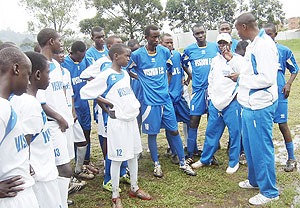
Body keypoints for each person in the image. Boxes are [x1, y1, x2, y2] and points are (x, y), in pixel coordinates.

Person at [81, 43, 152, 207]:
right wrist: (105, 104)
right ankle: (115, 195)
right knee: (116, 158)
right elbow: (86, 91)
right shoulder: (107, 74)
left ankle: (134, 187)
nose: (129, 58)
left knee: (134, 155)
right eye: (126, 56)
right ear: (116, 56)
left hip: (131, 120)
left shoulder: (126, 74)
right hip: (117, 122)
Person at [127, 25, 196, 177]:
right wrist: (141, 79)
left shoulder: (164, 52)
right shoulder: (138, 54)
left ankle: (183, 163)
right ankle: (156, 164)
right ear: (146, 37)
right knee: (153, 133)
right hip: (150, 103)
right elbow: (127, 69)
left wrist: (166, 86)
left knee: (174, 130)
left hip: (165, 100)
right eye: (153, 37)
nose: (157, 40)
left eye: (158, 37)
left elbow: (170, 69)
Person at [227, 12, 279, 205]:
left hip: (260, 105)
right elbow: (253, 72)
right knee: (250, 146)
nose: (236, 34)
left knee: (262, 149)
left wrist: (240, 78)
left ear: (243, 27)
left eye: (237, 29)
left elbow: (267, 78)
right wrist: (242, 75)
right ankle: (255, 180)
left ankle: (270, 191)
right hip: (249, 104)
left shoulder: (264, 46)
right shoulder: (254, 44)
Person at [10, 51, 63, 208]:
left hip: (44, 174)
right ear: (38, 74)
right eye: (48, 72)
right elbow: (21, 145)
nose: (50, 77)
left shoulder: (28, 101)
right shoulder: (29, 104)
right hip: (40, 179)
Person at [83, 36, 130, 192]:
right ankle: (108, 179)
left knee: (122, 142)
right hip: (108, 114)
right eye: (118, 46)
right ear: (112, 50)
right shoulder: (103, 64)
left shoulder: (122, 70)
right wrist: (105, 104)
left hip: (122, 112)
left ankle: (122, 172)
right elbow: (89, 83)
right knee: (111, 144)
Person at [191, 33, 243, 174]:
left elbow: (243, 75)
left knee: (235, 133)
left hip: (231, 102)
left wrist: (230, 59)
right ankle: (205, 159)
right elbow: (211, 80)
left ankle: (233, 162)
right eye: (219, 43)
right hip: (216, 102)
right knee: (211, 132)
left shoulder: (238, 60)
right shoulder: (215, 60)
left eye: (225, 43)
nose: (222, 46)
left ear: (231, 44)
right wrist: (212, 98)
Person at [36, 28, 73, 208]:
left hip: (62, 123)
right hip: (51, 125)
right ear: (51, 41)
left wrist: (66, 114)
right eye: (59, 40)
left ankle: (60, 201)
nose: (61, 43)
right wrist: (59, 117)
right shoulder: (40, 65)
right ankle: (59, 203)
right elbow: (40, 101)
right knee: (64, 169)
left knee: (62, 168)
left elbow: (62, 92)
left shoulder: (57, 65)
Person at [0, 47, 39, 207]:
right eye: (27, 74)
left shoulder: (7, 105)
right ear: (16, 69)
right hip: (12, 199)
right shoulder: (2, 108)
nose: (29, 82)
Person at [264, 23, 299, 172]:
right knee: (265, 128)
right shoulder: (259, 51)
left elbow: (294, 69)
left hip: (279, 93)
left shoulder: (284, 50)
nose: (267, 37)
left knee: (282, 124)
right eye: (264, 35)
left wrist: (289, 84)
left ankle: (292, 158)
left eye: (270, 34)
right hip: (264, 95)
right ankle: (267, 160)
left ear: (275, 34)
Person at [60, 41, 97, 179]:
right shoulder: (64, 65)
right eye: (80, 55)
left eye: (84, 55)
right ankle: (76, 167)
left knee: (87, 133)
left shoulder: (85, 61)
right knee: (74, 139)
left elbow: (91, 75)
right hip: (72, 108)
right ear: (73, 53)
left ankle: (86, 162)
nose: (82, 58)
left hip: (84, 105)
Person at [182, 24, 218, 163]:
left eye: (202, 32)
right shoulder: (189, 50)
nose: (200, 35)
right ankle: (191, 154)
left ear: (206, 32)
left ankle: (210, 154)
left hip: (213, 91)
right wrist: (190, 76)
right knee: (193, 121)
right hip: (198, 91)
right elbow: (183, 63)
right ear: (193, 35)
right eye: (197, 33)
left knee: (212, 122)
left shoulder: (214, 47)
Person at [160, 33, 190, 165]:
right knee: (170, 126)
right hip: (168, 98)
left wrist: (188, 78)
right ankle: (174, 152)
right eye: (167, 42)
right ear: (161, 43)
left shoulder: (177, 55)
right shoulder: (160, 57)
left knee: (190, 119)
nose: (170, 45)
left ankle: (190, 148)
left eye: (171, 42)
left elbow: (184, 68)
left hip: (179, 96)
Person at [85, 26, 109, 164]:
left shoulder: (108, 51)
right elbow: (91, 75)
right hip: (100, 95)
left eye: (103, 36)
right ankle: (105, 159)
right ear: (92, 38)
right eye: (98, 37)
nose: (101, 39)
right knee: (102, 127)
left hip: (111, 93)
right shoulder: (90, 54)